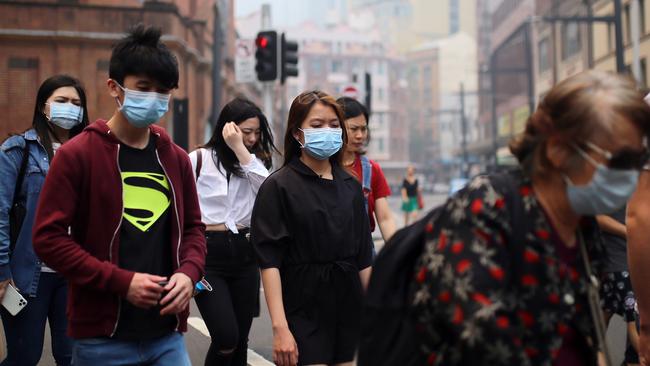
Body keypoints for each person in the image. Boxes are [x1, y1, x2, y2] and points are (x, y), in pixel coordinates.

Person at [410, 70, 650, 365]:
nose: (632, 174)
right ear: (558, 149)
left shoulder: (583, 227)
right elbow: (478, 341)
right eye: (621, 161)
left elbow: (582, 335)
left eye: (638, 161)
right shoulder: (487, 207)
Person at [31, 25, 206, 366]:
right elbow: (47, 239)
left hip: (167, 335)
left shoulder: (176, 158)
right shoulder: (78, 155)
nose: (154, 98)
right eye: (143, 88)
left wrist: (189, 272)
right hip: (101, 338)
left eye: (163, 91)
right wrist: (121, 282)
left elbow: (194, 229)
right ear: (115, 87)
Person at [251, 90, 373, 366]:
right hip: (302, 306)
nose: (327, 131)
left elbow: (364, 255)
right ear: (297, 133)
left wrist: (379, 310)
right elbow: (269, 261)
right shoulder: (279, 186)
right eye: (317, 125)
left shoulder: (351, 186)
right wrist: (280, 327)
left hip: (348, 304)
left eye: (334, 125)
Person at [0, 75, 89, 366]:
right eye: (61, 101)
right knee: (24, 357)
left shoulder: (92, 153)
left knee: (73, 357)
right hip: (26, 275)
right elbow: (0, 213)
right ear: (43, 106)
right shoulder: (18, 150)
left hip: (75, 274)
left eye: (76, 103)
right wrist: (2, 271)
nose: (70, 108)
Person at [189, 97, 276, 366]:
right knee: (226, 337)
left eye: (256, 133)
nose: (251, 138)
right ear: (229, 127)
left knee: (241, 341)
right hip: (208, 255)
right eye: (245, 132)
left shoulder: (254, 163)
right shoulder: (199, 159)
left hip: (245, 255)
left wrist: (241, 150)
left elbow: (269, 193)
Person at [337, 96, 396, 242]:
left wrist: (397, 252)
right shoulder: (322, 166)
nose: (360, 136)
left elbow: (385, 219)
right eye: (354, 129)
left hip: (365, 253)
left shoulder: (371, 169)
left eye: (364, 129)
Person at [597, 208, 640, 366]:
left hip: (632, 263)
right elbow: (595, 216)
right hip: (621, 265)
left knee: (596, 327)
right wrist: (628, 231)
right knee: (637, 325)